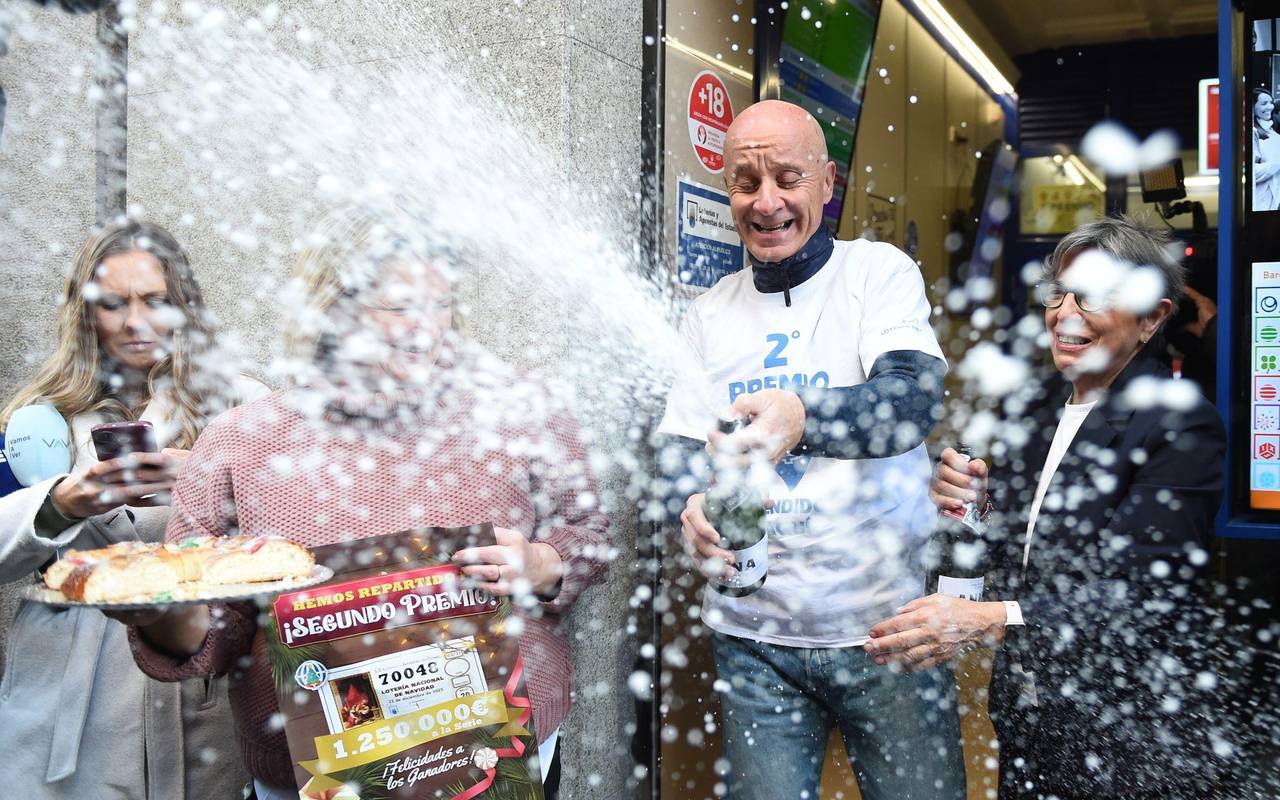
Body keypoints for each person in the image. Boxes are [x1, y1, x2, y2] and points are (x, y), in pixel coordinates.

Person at [123, 212, 610, 800]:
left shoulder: (518, 410)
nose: (426, 330)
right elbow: (214, 631)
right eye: (400, 307)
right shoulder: (242, 442)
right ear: (334, 310)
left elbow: (589, 533)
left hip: (496, 758)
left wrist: (543, 564)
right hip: (316, 775)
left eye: (441, 305)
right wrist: (159, 615)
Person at [659, 100, 964, 800]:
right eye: (745, 183)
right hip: (753, 643)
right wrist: (689, 502)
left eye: (787, 178)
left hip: (887, 630)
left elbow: (911, 400)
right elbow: (679, 450)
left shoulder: (876, 273)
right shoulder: (708, 312)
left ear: (827, 182)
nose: (766, 202)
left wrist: (802, 415)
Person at [865, 216, 1227, 799]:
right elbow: (1007, 559)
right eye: (1058, 293)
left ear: (1152, 317)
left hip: (1127, 730)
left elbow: (1136, 596)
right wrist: (969, 506)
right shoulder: (1035, 408)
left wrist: (989, 620)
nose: (1065, 314)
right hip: (1030, 714)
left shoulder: (1180, 423)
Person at [0, 220, 262, 798]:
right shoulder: (35, 423)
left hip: (195, 668)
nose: (136, 322)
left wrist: (206, 483)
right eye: (114, 303)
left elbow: (294, 537)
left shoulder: (242, 405)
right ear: (86, 312)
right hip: (69, 689)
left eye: (155, 301)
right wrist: (62, 503)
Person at [1253, 88, 1280, 212]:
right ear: (1253, 106)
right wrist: (1277, 163)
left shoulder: (1272, 130)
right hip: (1265, 203)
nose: (1270, 107)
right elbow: (1252, 172)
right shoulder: (1253, 132)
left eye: (1271, 102)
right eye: (1264, 103)